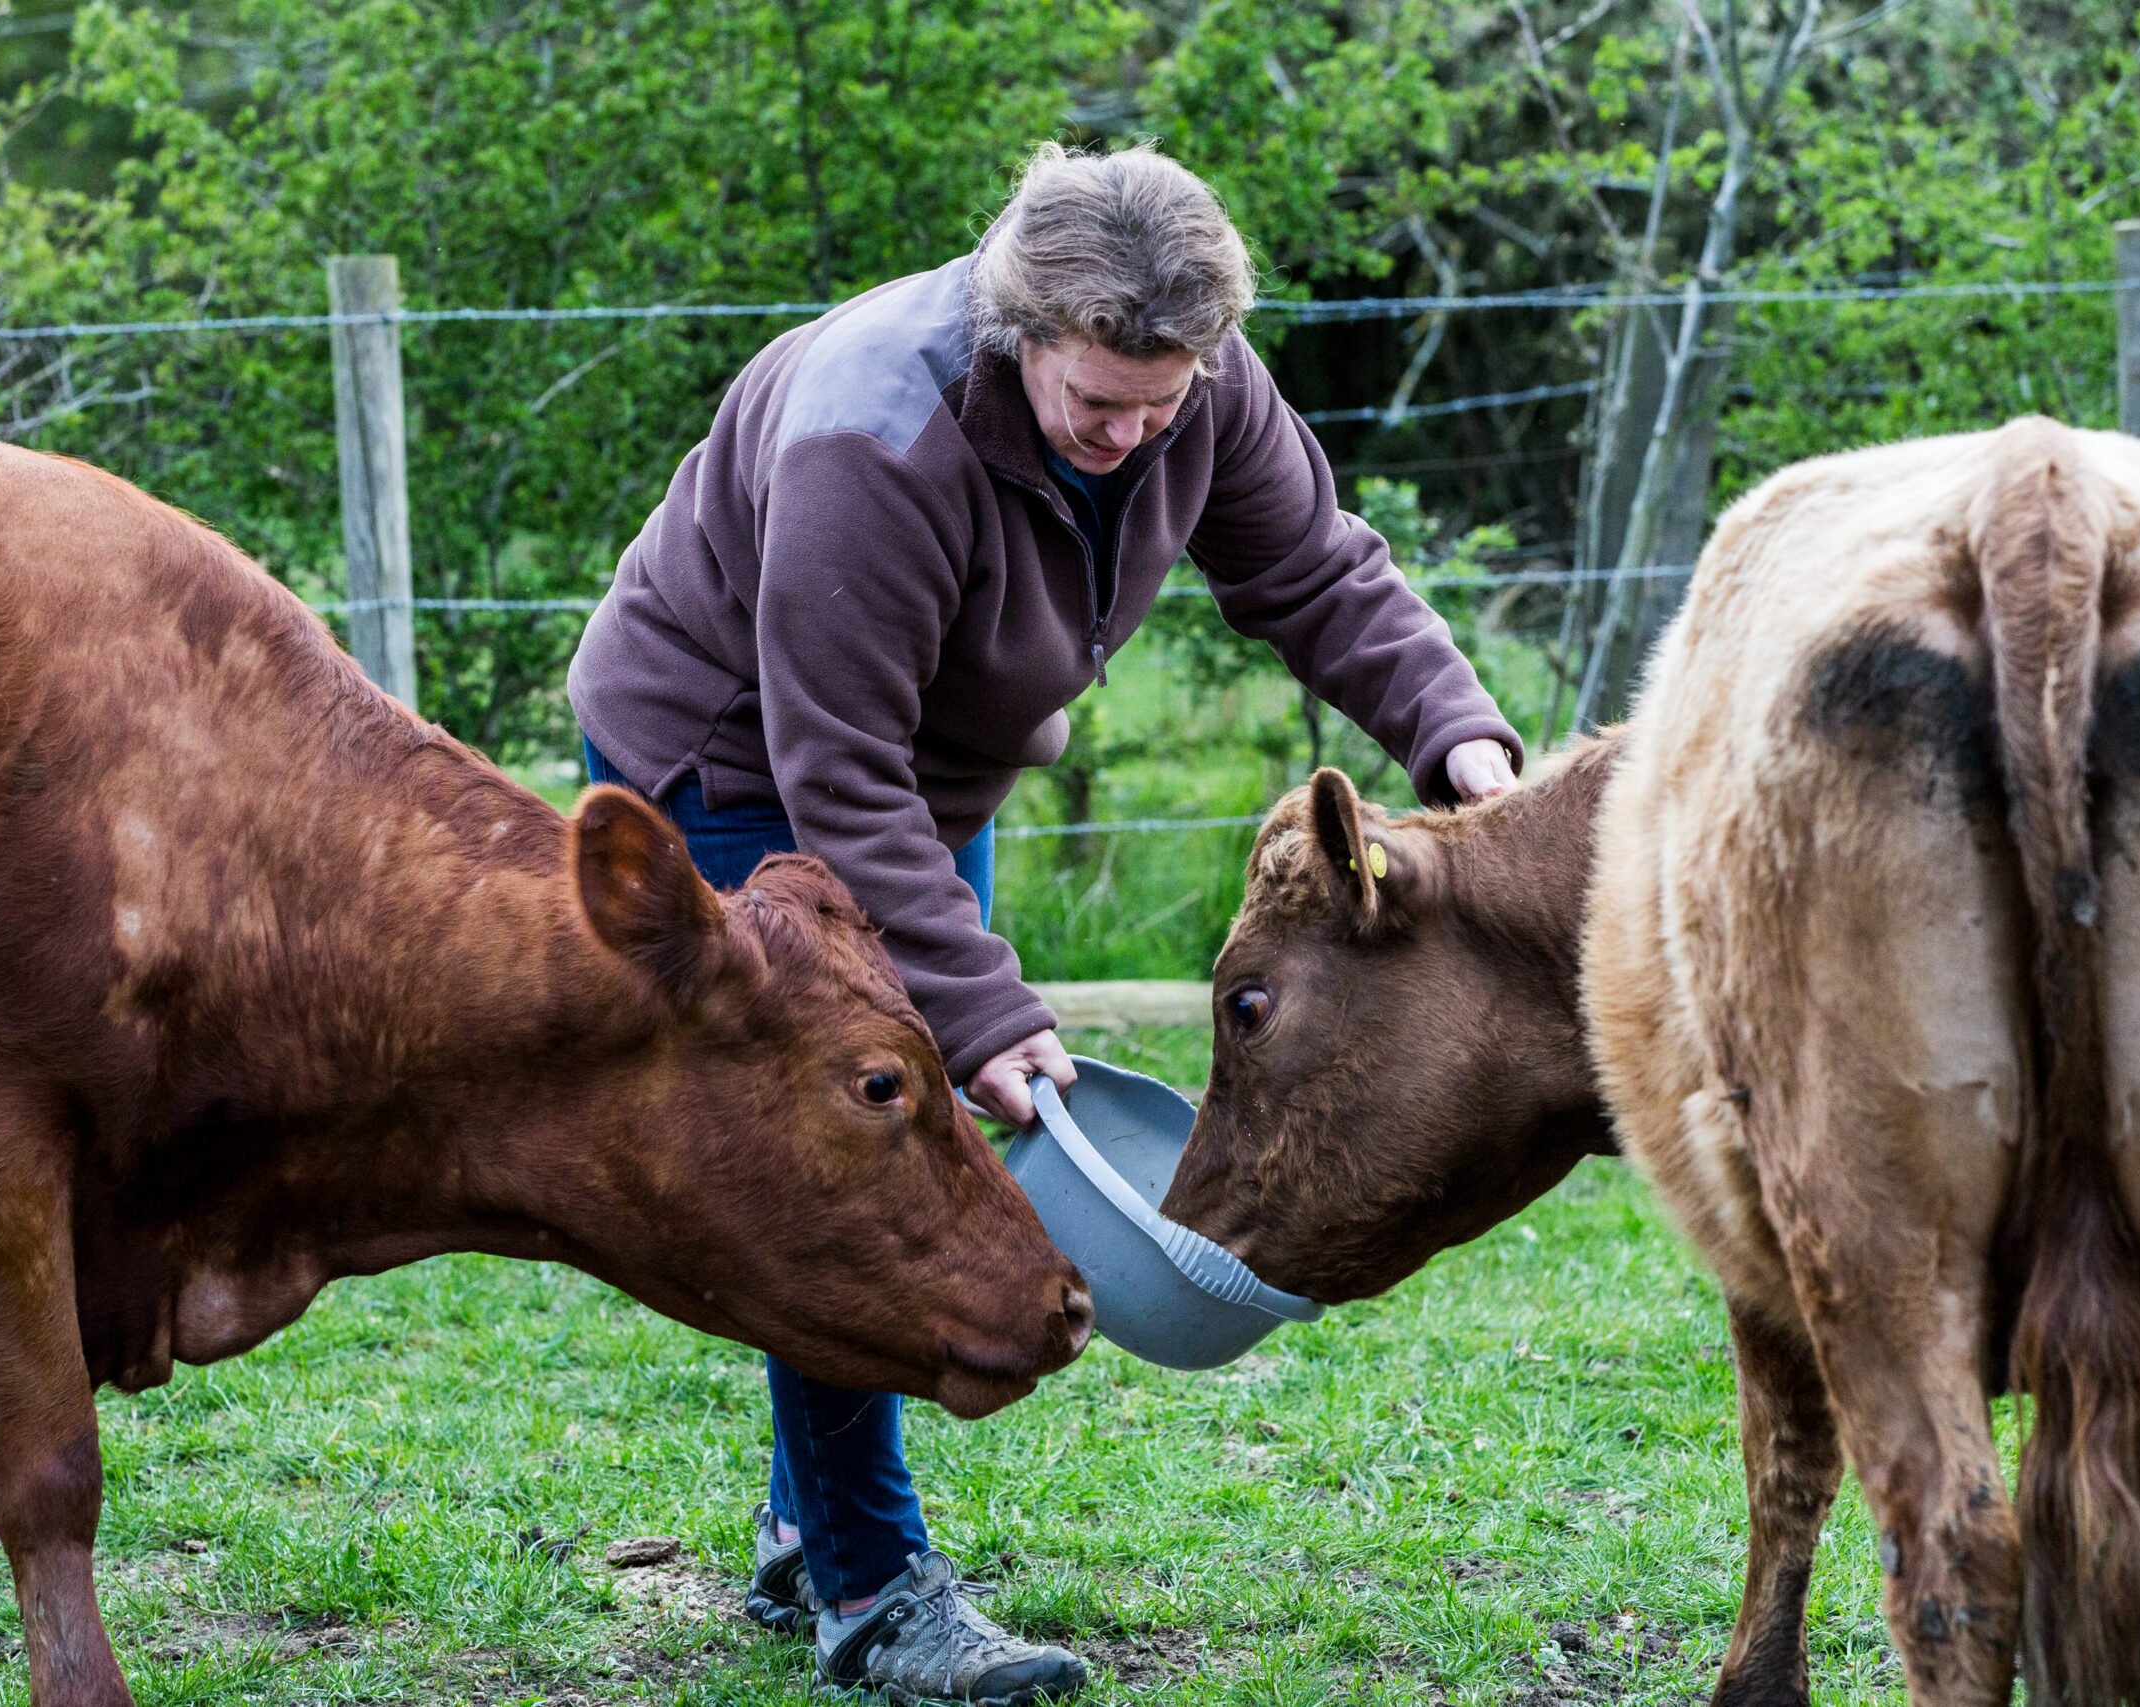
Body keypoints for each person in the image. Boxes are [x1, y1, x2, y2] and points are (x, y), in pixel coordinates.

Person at [566, 141, 1522, 1704]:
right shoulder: (873, 438)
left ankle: (809, 1526)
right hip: (733, 768)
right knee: (861, 1147)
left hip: (932, 779)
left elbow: (1317, 572)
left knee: (926, 1113)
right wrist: (988, 1017)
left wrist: (1458, 732)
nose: (1134, 434)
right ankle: (871, 1594)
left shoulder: (1191, 382)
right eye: (1100, 409)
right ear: (1021, 336)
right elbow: (835, 771)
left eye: (1164, 403)